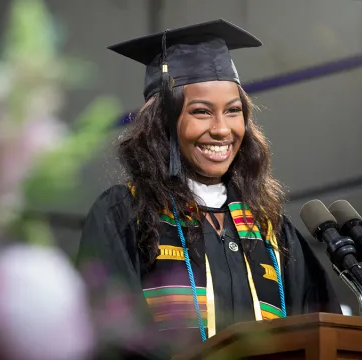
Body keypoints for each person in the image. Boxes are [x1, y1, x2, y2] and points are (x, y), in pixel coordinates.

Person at [76, 19, 341, 359]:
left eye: (233, 111)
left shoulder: (270, 228)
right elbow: (109, 334)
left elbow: (319, 329)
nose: (221, 129)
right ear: (164, 123)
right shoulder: (125, 213)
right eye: (201, 112)